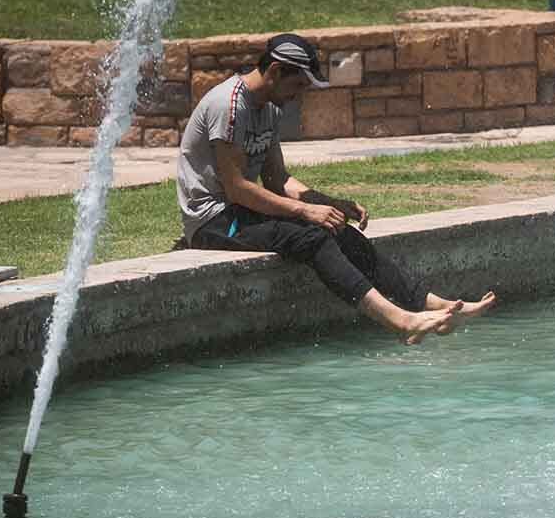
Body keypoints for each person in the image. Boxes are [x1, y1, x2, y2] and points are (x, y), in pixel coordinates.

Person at [176, 33, 495, 344]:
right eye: (298, 84)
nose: (299, 95)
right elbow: (237, 189)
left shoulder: (270, 108)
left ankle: (431, 304)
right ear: (275, 71)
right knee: (312, 237)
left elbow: (278, 180)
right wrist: (304, 210)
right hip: (213, 221)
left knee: (338, 229)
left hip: (242, 213)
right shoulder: (230, 106)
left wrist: (330, 204)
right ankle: (399, 321)